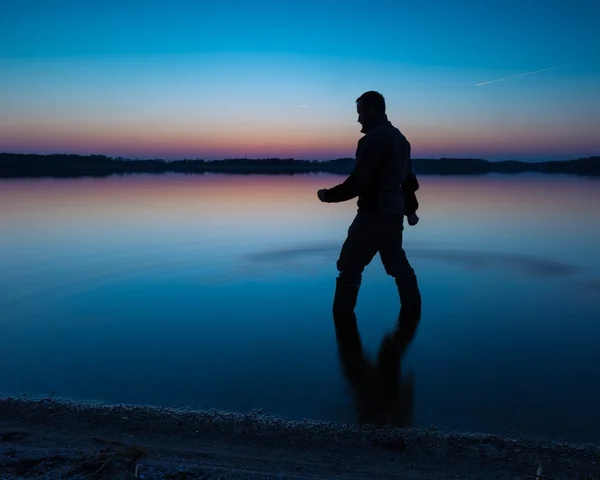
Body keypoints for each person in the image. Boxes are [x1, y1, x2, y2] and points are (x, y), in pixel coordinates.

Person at [317, 91, 421, 318]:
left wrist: (327, 195)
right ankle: (413, 312)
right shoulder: (401, 139)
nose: (358, 119)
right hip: (394, 216)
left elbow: (358, 183)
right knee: (397, 265)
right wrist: (410, 210)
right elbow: (409, 180)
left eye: (360, 113)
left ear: (373, 110)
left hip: (373, 215)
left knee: (349, 266)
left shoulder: (373, 140)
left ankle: (343, 322)